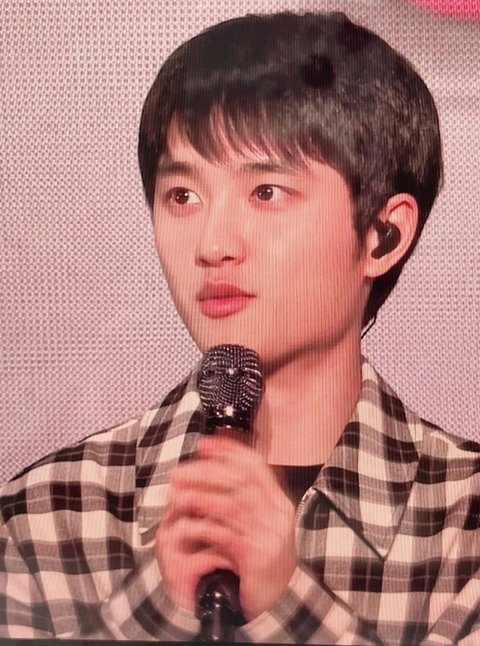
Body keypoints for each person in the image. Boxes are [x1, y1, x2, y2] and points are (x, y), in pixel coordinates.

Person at [0, 10, 478, 644]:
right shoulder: (43, 520)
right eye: (183, 197)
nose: (213, 244)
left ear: (383, 235)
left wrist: (288, 605)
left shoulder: (466, 526)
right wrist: (157, 603)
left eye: (266, 193)